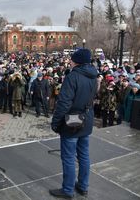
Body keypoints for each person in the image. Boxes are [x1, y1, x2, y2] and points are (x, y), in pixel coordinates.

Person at [50, 48, 98, 199]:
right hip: (87, 118)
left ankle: (68, 190)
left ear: (76, 61)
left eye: (71, 59)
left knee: (69, 157)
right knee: (83, 155)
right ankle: (83, 186)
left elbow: (63, 103)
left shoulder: (73, 76)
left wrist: (56, 122)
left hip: (73, 121)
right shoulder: (94, 75)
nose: (69, 62)